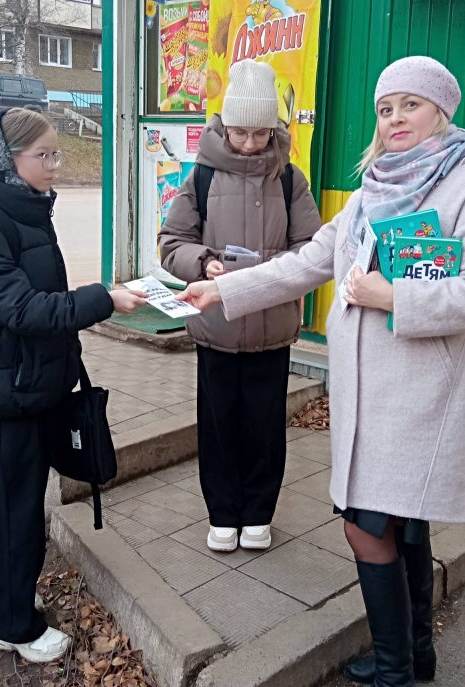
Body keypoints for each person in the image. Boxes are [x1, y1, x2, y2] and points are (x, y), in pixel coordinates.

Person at [177, 56, 465, 686]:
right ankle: (415, 657)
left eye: (409, 105)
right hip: (368, 395)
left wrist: (395, 298)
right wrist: (223, 291)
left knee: (368, 525)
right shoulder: (371, 192)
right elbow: (306, 264)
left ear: (441, 110)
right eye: (386, 109)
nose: (395, 119)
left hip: (422, 395)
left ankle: (395, 669)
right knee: (399, 523)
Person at [0, 108, 146, 663]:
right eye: (45, 155)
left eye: (56, 153)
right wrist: (102, 299)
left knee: (23, 502)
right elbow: (16, 307)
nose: (56, 165)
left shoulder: (29, 211)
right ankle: (11, 624)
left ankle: (9, 596)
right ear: (8, 160)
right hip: (13, 388)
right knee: (16, 507)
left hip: (36, 381)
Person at [158, 60, 321, 552]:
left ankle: (258, 514)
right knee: (218, 426)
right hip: (216, 328)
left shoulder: (290, 180)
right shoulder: (202, 177)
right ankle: (223, 514)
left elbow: (311, 248)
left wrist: (272, 270)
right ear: (223, 125)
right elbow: (171, 240)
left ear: (274, 128)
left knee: (265, 428)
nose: (250, 143)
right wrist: (203, 262)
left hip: (272, 330)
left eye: (259, 133)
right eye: (240, 132)